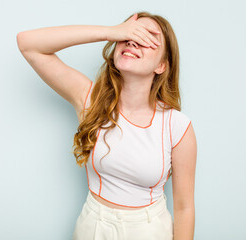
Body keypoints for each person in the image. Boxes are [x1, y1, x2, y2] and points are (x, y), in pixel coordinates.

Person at [17, 11, 197, 240]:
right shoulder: (90, 100)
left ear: (161, 65)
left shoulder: (177, 126)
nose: (133, 39)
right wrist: (112, 31)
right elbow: (28, 44)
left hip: (149, 231)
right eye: (130, 34)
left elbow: (184, 208)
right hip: (93, 227)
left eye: (147, 37)